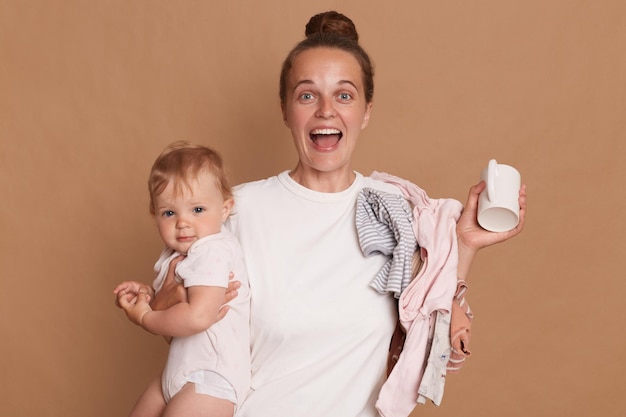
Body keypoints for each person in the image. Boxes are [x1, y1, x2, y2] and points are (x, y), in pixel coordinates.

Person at [130, 11, 527, 417]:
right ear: (285, 109)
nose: (325, 110)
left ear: (366, 111)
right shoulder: (234, 212)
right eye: (306, 95)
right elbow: (188, 334)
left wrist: (463, 246)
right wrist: (159, 301)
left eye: (344, 95)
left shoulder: (395, 215)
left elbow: (427, 332)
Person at [113, 141, 250, 417]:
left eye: (197, 210)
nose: (183, 222)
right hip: (179, 371)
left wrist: (145, 318)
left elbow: (197, 317)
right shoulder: (174, 254)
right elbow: (172, 305)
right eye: (169, 213)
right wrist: (146, 297)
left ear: (225, 209)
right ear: (155, 214)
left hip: (211, 377)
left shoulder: (213, 249)